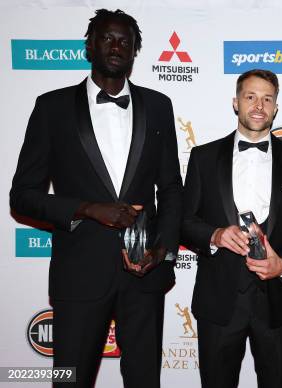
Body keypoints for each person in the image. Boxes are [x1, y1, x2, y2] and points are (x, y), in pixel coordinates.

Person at [9, 8, 182, 388]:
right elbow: (22, 196)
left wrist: (163, 250)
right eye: (107, 38)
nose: (116, 46)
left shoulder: (158, 106)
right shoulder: (51, 108)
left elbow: (171, 190)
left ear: (136, 51)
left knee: (144, 381)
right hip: (80, 275)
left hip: (144, 277)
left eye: (125, 40)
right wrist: (88, 209)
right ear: (89, 45)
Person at [181, 69, 282, 388]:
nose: (258, 105)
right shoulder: (203, 157)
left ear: (276, 107)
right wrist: (213, 235)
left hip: (276, 305)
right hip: (219, 304)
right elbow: (183, 221)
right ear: (235, 103)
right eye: (250, 97)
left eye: (267, 98)